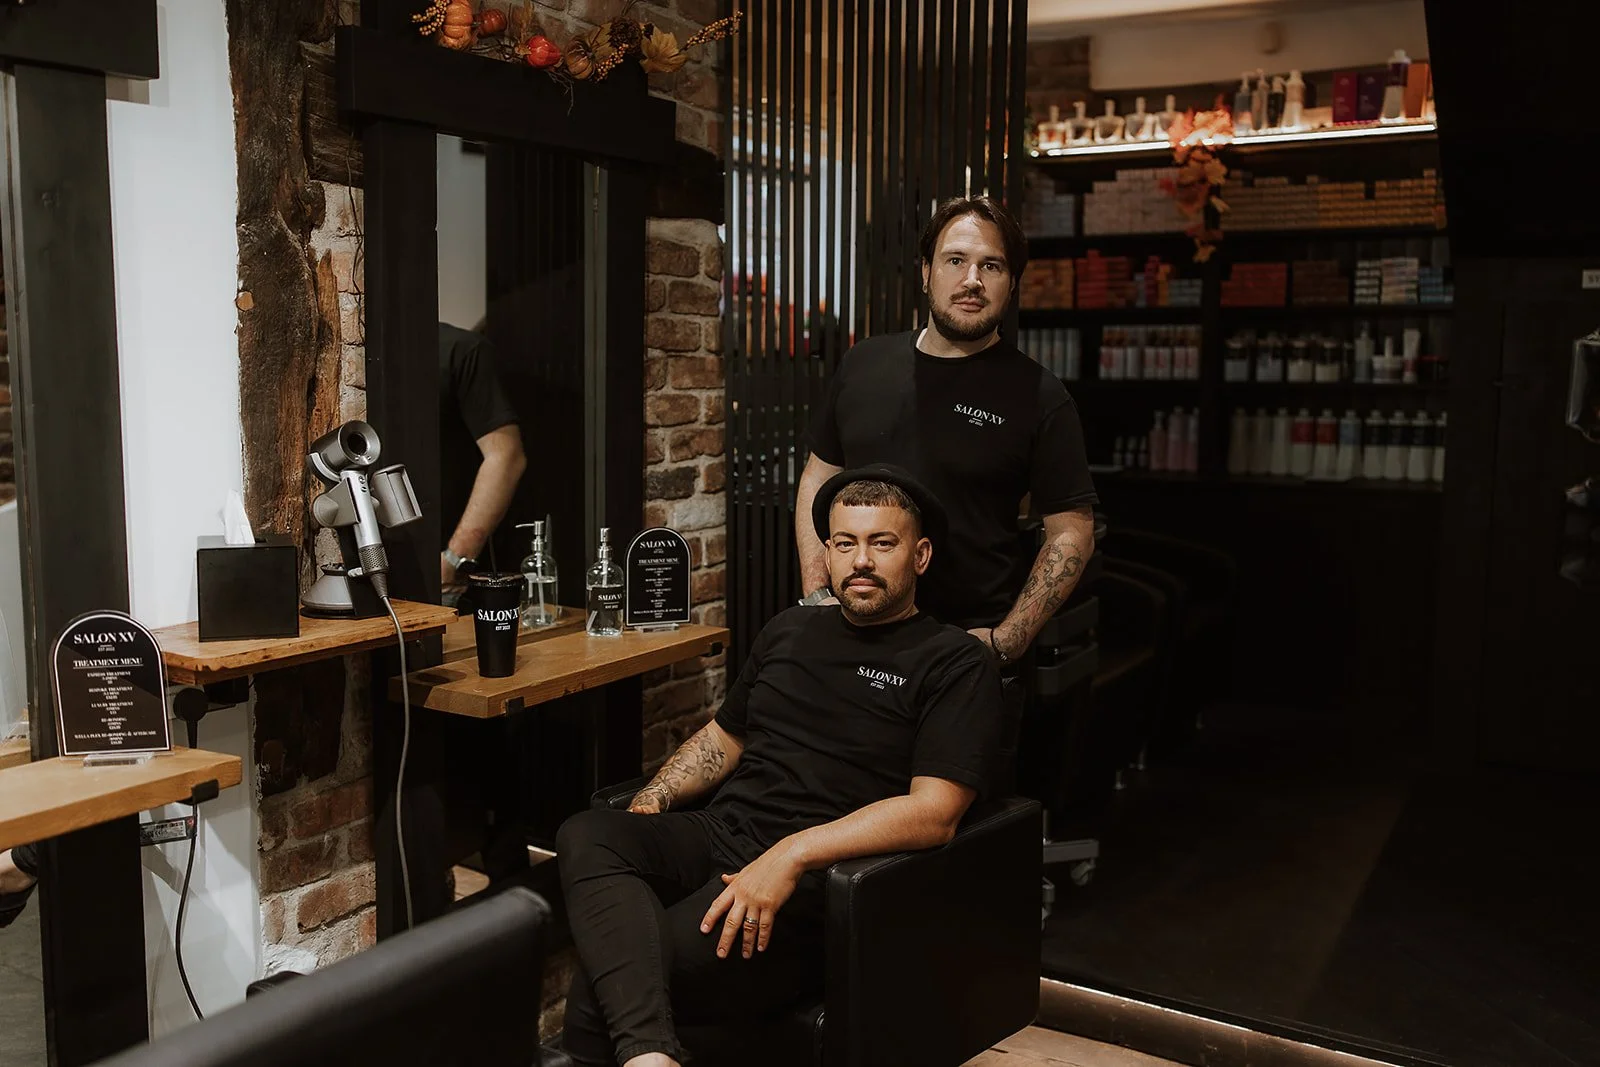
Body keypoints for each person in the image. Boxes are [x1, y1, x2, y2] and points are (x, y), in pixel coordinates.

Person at [555, 466, 1010, 1067]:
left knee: (607, 978)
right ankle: (651, 1057)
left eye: (882, 543)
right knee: (589, 832)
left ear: (920, 556)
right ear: (827, 552)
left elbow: (935, 814)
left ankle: (643, 1052)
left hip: (826, 879)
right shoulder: (789, 630)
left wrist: (791, 853)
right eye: (845, 543)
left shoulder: (954, 662)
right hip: (724, 832)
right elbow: (724, 737)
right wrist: (654, 801)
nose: (861, 561)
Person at [796, 196, 1097, 664]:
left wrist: (1009, 639)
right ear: (925, 272)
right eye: (955, 260)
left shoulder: (1040, 395)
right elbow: (819, 476)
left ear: (1012, 284)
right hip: (853, 641)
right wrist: (818, 593)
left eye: (991, 266)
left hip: (966, 651)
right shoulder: (864, 365)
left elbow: (1071, 531)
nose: (972, 280)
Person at [438, 322, 527, 601]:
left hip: (447, 578)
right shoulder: (371, 355)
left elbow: (507, 456)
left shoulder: (460, 349)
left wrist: (455, 558)